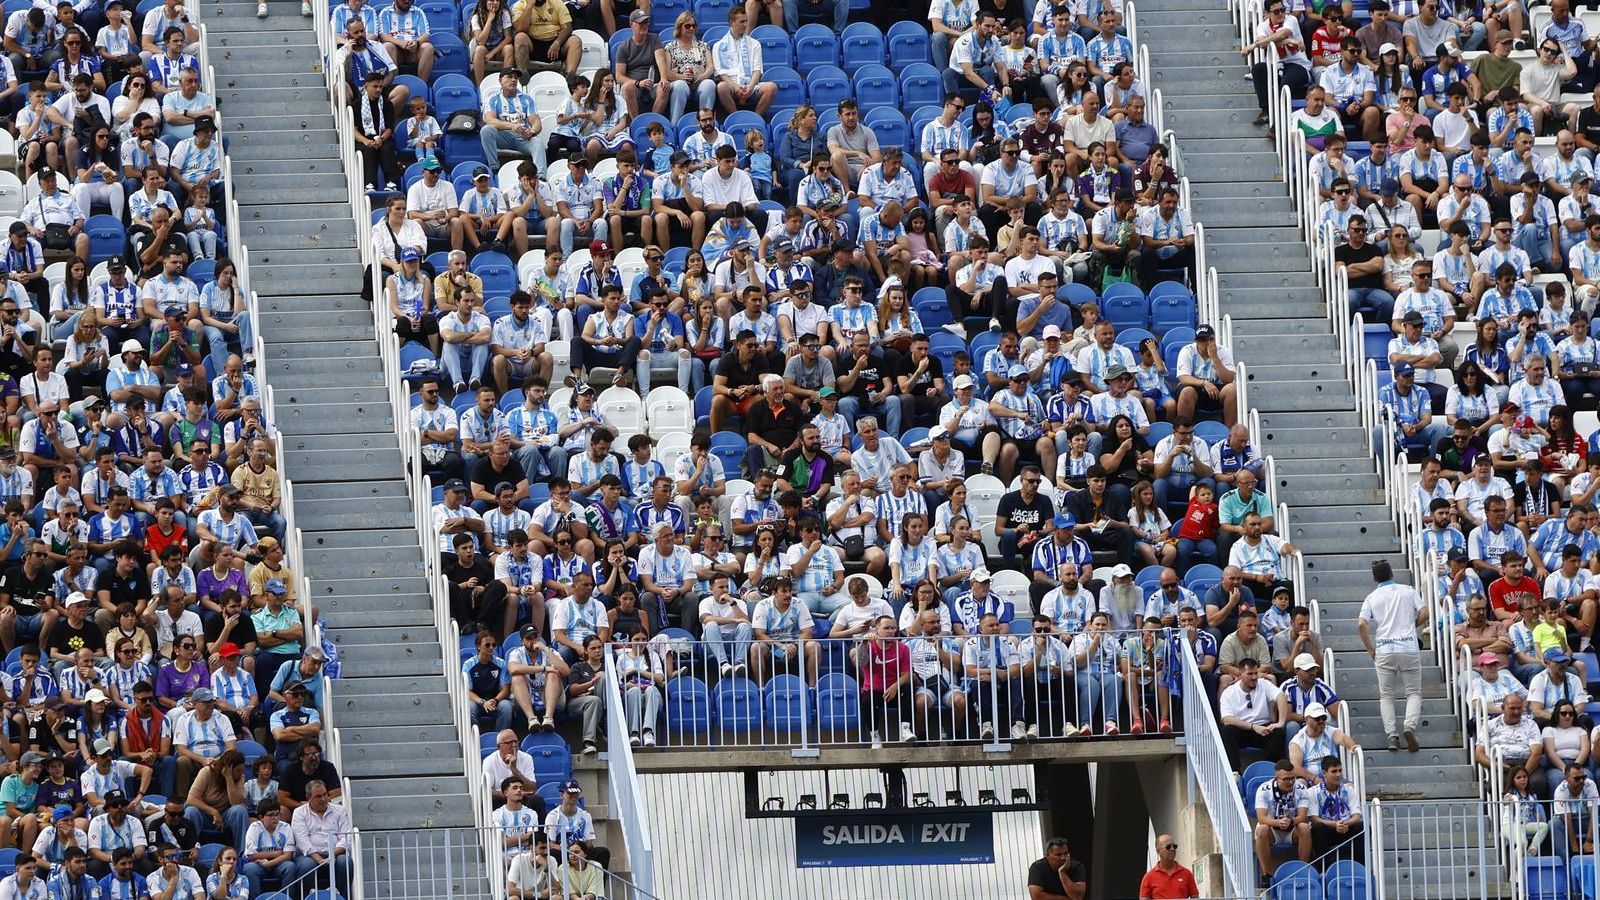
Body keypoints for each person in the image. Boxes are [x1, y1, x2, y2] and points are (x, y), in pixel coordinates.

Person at [1358, 559, 1429, 752]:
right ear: (1392, 573)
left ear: (1374, 578)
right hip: (1408, 647)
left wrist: (1369, 648)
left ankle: (1392, 736)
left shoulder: (1372, 597)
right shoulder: (1408, 590)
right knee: (1413, 692)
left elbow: (1362, 624)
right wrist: (1412, 626)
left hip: (1384, 649)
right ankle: (1409, 726)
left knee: (1386, 695)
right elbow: (1425, 612)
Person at [1138, 833, 1199, 900]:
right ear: (1158, 851)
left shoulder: (1187, 874)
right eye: (1168, 847)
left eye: (1174, 846)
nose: (1172, 849)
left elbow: (1195, 897)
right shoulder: (1149, 877)